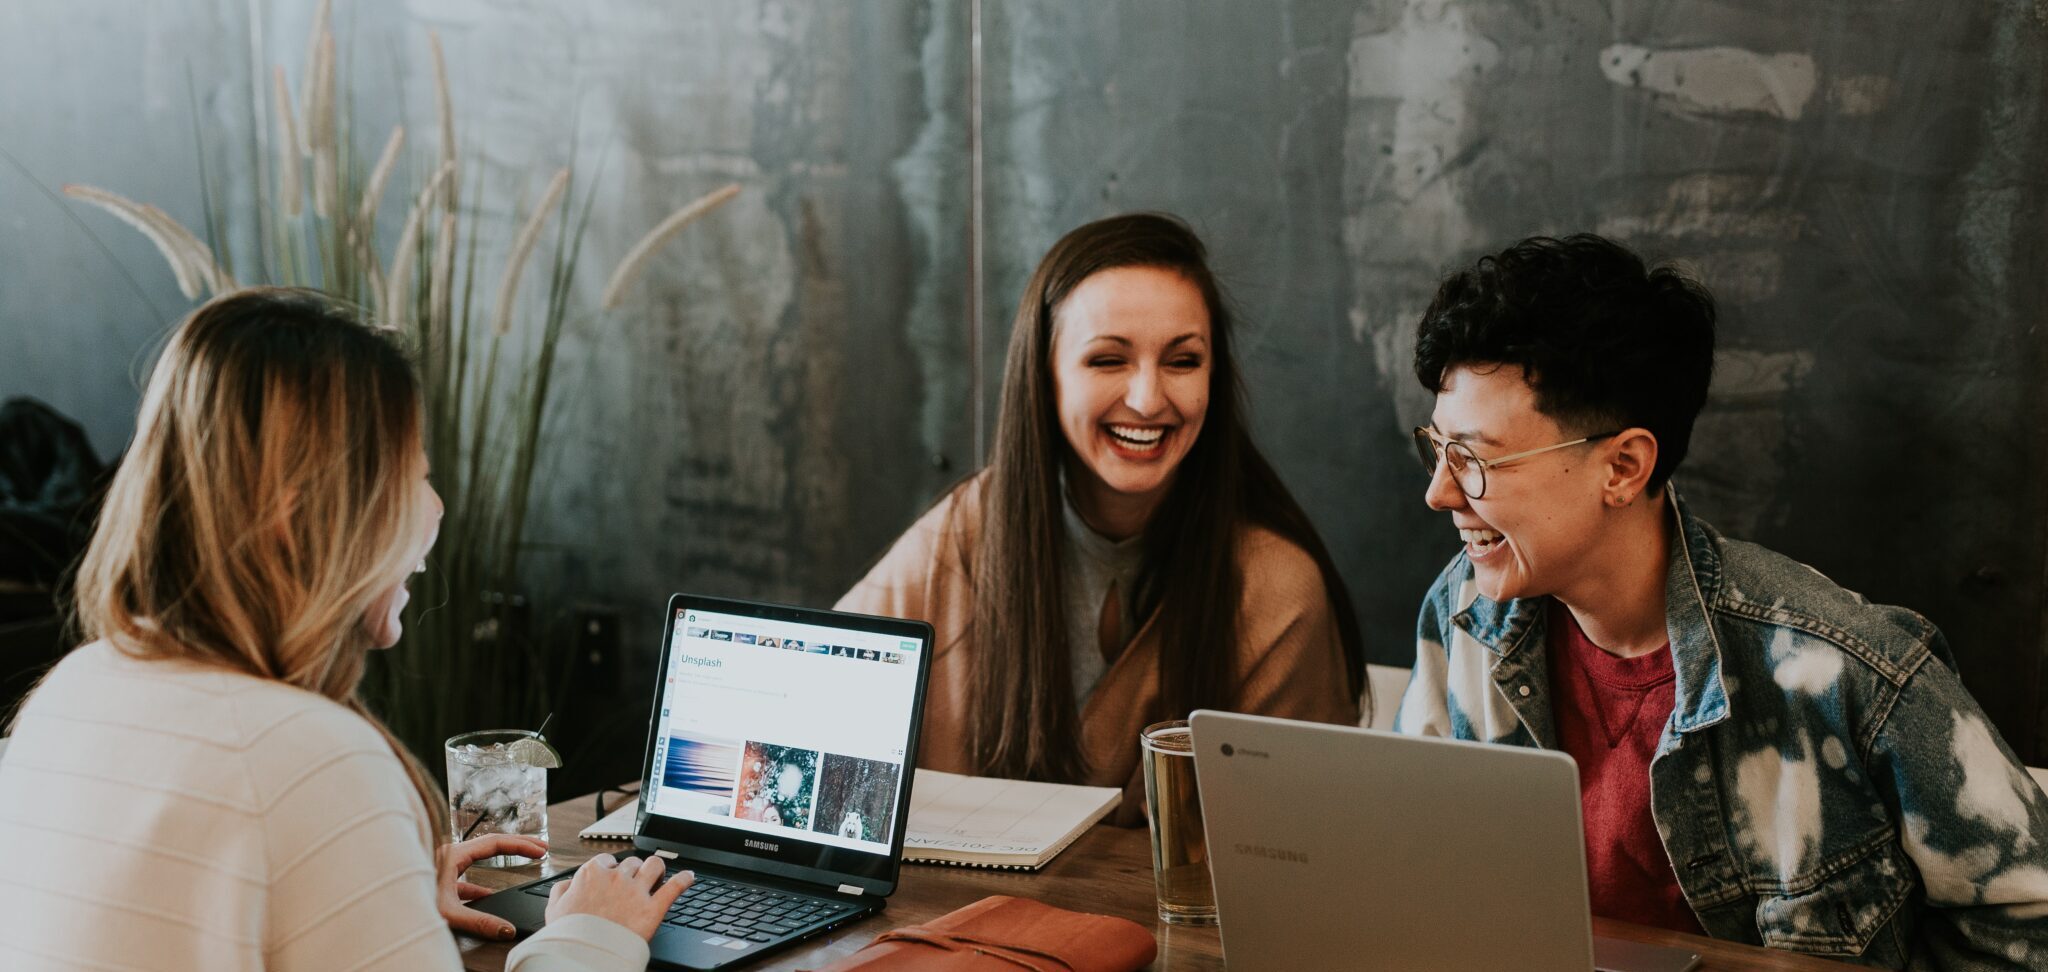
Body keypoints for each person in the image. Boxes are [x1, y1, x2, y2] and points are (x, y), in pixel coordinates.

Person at [1395, 234, 2048, 968]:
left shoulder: (1846, 672)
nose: (1439, 493)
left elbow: (2029, 922)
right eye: (1437, 448)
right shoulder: (1463, 614)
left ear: (1623, 466)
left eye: (1475, 459)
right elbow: (1412, 866)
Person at [0, 289, 692, 970]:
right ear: (301, 517)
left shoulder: (70, 691)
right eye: (411, 476)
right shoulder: (310, 758)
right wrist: (589, 936)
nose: (437, 506)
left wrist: (375, 888)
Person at [839, 212, 1362, 822]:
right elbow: (810, 708)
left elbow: (1301, 846)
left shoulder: (1275, 587)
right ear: (1046, 376)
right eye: (1108, 361)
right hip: (951, 917)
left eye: (1183, 361)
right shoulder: (962, 535)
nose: (1147, 398)